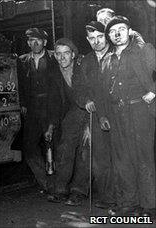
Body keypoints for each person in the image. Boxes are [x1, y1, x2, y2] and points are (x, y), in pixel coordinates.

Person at [101, 15, 156, 216]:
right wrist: (103, 115)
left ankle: (150, 205)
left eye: (122, 29)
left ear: (129, 31)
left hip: (140, 111)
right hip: (116, 114)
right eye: (113, 31)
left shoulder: (144, 50)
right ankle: (129, 202)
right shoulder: (107, 58)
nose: (117, 34)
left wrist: (154, 91)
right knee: (122, 160)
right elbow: (103, 91)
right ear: (109, 36)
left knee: (143, 157)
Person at [73, 21, 116, 209]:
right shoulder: (86, 62)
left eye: (100, 37)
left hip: (120, 113)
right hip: (98, 115)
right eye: (92, 38)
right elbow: (78, 88)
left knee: (123, 157)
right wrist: (85, 101)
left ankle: (128, 198)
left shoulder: (117, 55)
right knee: (100, 159)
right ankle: (108, 198)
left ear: (106, 36)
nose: (96, 41)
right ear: (87, 40)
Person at [17, 28, 62, 196]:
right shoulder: (22, 60)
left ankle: (60, 183)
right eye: (30, 40)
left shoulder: (54, 58)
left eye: (37, 40)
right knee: (29, 147)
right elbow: (20, 85)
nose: (33, 43)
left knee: (54, 145)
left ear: (44, 42)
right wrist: (23, 103)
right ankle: (46, 182)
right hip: (32, 108)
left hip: (51, 105)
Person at [48, 38, 89, 206]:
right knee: (65, 150)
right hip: (72, 113)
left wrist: (88, 125)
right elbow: (54, 102)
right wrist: (51, 125)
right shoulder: (54, 73)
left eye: (66, 53)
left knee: (85, 152)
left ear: (73, 54)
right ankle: (61, 190)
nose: (62, 57)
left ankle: (78, 191)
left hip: (89, 110)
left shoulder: (83, 67)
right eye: (58, 54)